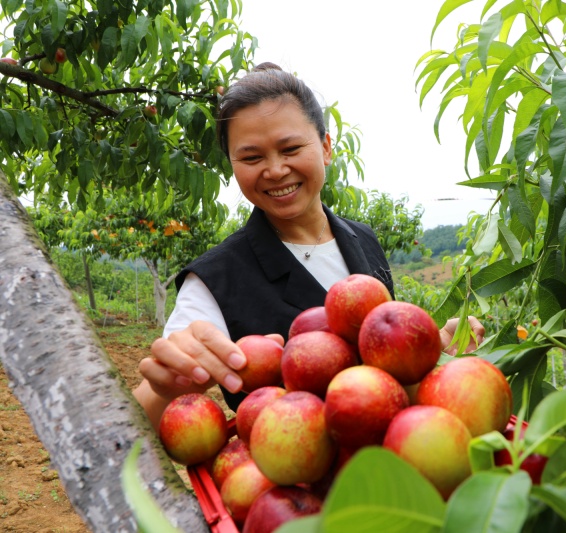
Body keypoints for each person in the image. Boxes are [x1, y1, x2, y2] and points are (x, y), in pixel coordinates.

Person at [133, 63, 485, 428]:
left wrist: (433, 350)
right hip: (290, 476)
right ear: (234, 165)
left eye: (291, 148)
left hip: (390, 464)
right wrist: (164, 389)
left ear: (326, 147)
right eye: (252, 157)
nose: (274, 170)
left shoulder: (362, 239)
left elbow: (384, 368)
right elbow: (140, 418)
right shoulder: (214, 278)